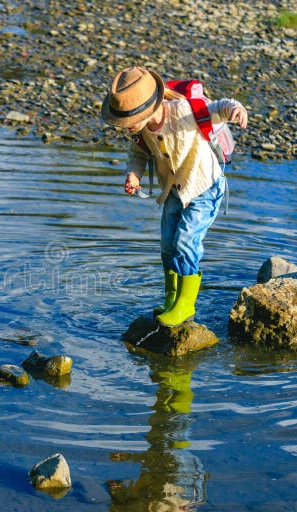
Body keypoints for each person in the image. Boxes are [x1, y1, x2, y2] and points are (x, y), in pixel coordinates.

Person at [101, 67, 248, 326]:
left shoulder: (184, 111)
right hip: (174, 191)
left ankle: (185, 306)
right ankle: (171, 297)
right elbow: (137, 154)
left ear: (148, 108)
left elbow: (218, 108)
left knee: (185, 242)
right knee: (168, 245)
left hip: (204, 187)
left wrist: (236, 110)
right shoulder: (140, 129)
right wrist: (133, 175)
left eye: (128, 120)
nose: (125, 127)